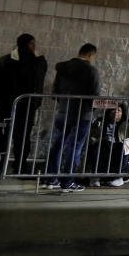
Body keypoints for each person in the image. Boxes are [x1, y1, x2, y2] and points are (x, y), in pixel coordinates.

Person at [0, 33, 47, 179]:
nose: (34, 47)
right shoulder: (26, 62)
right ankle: (16, 168)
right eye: (32, 44)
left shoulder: (8, 61)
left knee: (10, 139)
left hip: (14, 107)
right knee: (15, 139)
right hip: (19, 107)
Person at [45, 43, 101, 192]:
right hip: (82, 114)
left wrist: (64, 104)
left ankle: (51, 179)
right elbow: (94, 96)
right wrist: (92, 110)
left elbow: (55, 91)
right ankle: (67, 182)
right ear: (91, 55)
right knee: (74, 148)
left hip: (63, 112)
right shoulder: (91, 71)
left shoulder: (63, 68)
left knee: (58, 145)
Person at [84, 102, 129, 187]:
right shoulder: (100, 122)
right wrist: (97, 140)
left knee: (123, 147)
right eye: (113, 110)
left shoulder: (127, 124)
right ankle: (96, 177)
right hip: (103, 145)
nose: (116, 112)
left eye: (119, 110)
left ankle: (116, 177)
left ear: (122, 113)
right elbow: (90, 136)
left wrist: (127, 142)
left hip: (118, 146)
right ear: (108, 112)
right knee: (102, 145)